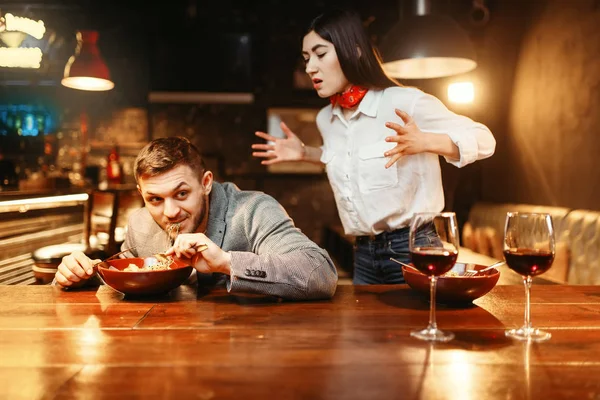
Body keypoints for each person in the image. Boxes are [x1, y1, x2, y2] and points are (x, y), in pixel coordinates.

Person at [251, 8, 496, 285]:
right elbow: (350, 159)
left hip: (414, 247)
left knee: (419, 327)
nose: (310, 68)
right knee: (365, 330)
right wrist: (306, 154)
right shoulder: (326, 118)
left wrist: (426, 141)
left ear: (353, 51)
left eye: (320, 54)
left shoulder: (403, 101)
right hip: (363, 253)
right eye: (306, 58)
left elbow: (485, 139)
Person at [54, 136, 338, 300]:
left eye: (181, 194)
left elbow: (320, 274)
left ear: (206, 183)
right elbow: (127, 290)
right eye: (154, 199)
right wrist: (82, 278)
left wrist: (227, 264)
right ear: (141, 194)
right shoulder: (139, 225)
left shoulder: (253, 210)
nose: (169, 212)